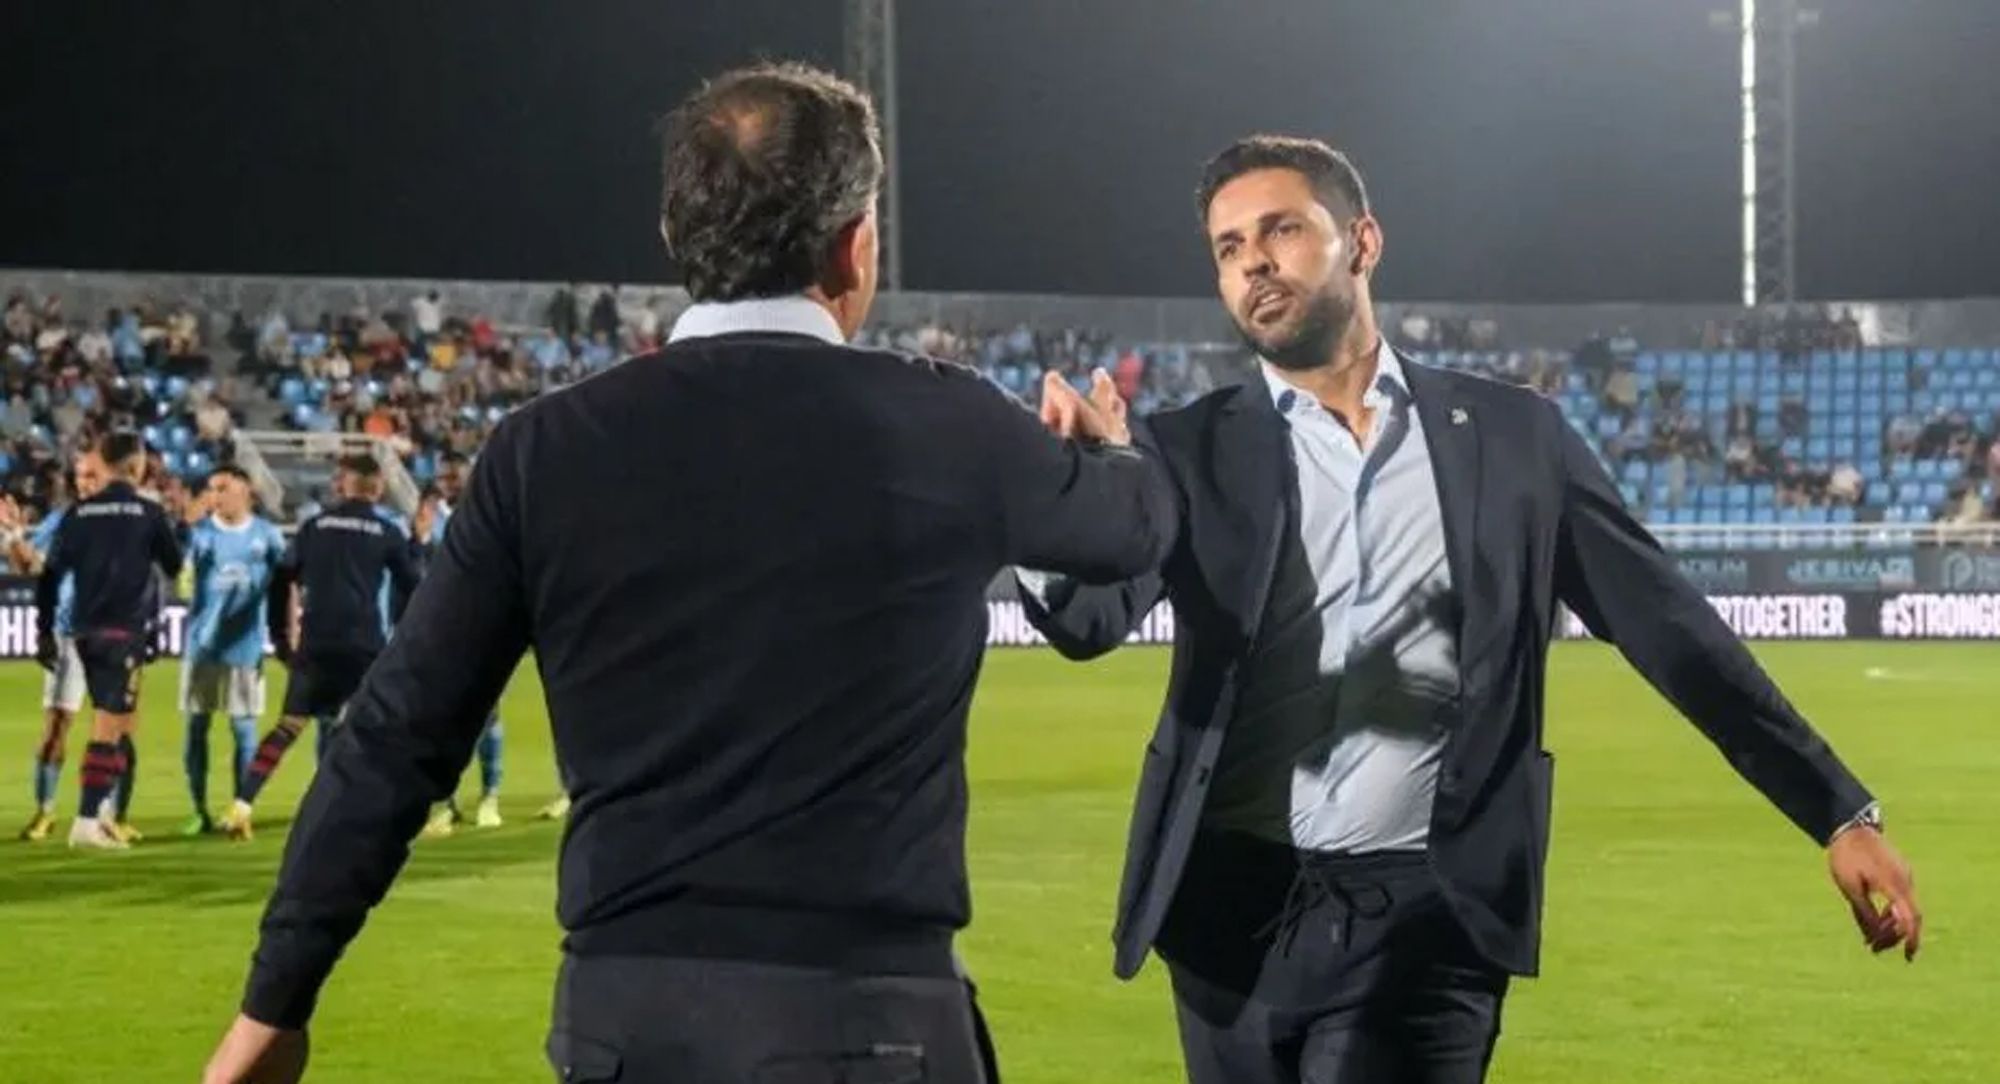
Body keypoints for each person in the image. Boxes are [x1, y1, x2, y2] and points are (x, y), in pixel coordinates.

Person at [202, 60, 1172, 1084]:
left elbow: (396, 742)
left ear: (677, 239)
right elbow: (1135, 529)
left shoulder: (544, 452)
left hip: (630, 1022)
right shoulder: (951, 422)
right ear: (855, 244)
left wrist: (276, 1002)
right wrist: (1104, 447)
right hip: (873, 1016)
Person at [1017, 135, 1921, 1084]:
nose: (1254, 262)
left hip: (1427, 914)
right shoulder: (1182, 448)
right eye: (1228, 246)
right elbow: (1088, 622)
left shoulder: (1515, 439)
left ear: (1363, 241)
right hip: (1225, 920)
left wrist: (1836, 812)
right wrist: (1071, 498)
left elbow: (1670, 628)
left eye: (1282, 229)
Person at [218, 456, 419, 842]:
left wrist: (279, 637)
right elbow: (413, 586)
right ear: (376, 489)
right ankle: (385, 812)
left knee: (288, 727)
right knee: (376, 730)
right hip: (363, 646)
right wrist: (408, 638)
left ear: (343, 485)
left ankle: (241, 806)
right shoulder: (385, 531)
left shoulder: (313, 527)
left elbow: (281, 578)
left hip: (316, 643)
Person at [36, 432, 185, 850]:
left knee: (118, 724)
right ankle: (86, 821)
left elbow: (49, 577)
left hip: (83, 631)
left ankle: (100, 814)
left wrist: (43, 632)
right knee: (109, 726)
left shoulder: (79, 514)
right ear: (137, 467)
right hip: (124, 630)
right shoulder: (149, 512)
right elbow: (173, 564)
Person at [180, 466, 289, 836]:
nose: (217, 495)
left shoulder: (268, 536)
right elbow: (181, 583)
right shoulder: (200, 534)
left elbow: (287, 584)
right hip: (202, 647)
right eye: (212, 489)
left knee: (244, 731)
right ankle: (199, 809)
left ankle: (241, 810)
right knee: (197, 729)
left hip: (245, 648)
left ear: (246, 490)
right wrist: (186, 537)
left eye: (223, 487)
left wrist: (285, 633)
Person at [4, 457, 107, 841]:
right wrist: (14, 537)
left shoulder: (127, 518)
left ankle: (105, 812)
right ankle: (45, 810)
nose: (84, 484)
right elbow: (29, 566)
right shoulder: (64, 519)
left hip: (111, 633)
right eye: (79, 477)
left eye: (91, 476)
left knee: (112, 729)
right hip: (68, 634)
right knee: (55, 728)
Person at [412, 453, 507, 836]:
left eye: (456, 476)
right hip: (440, 627)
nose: (450, 481)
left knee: (489, 714)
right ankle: (446, 803)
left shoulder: (488, 517)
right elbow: (415, 567)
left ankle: (490, 796)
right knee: (442, 718)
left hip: (484, 623)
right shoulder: (432, 519)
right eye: (445, 476)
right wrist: (418, 535)